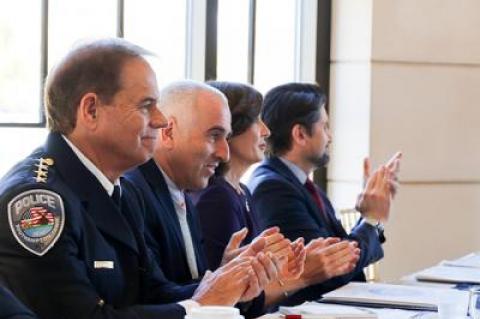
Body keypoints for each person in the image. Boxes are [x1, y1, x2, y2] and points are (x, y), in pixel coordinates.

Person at [0, 39, 263, 319]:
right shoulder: (36, 203)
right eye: (147, 105)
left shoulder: (122, 189)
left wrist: (229, 285)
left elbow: (154, 292)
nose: (161, 120)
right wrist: (199, 308)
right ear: (91, 111)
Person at [124, 80, 305, 314]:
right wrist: (224, 281)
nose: (224, 152)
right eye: (214, 136)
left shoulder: (182, 192)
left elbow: (179, 289)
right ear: (168, 133)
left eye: (226, 137)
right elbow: (151, 298)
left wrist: (229, 273)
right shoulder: (134, 193)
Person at [193, 81, 361, 303]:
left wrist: (287, 265)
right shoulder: (218, 197)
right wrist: (301, 273)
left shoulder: (241, 191)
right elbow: (238, 296)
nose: (266, 131)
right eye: (256, 120)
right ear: (229, 129)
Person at [248, 82, 402, 301]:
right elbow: (331, 269)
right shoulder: (273, 190)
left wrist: (371, 218)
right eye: (325, 127)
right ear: (300, 134)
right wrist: (370, 220)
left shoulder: (302, 185)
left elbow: (340, 253)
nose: (330, 137)